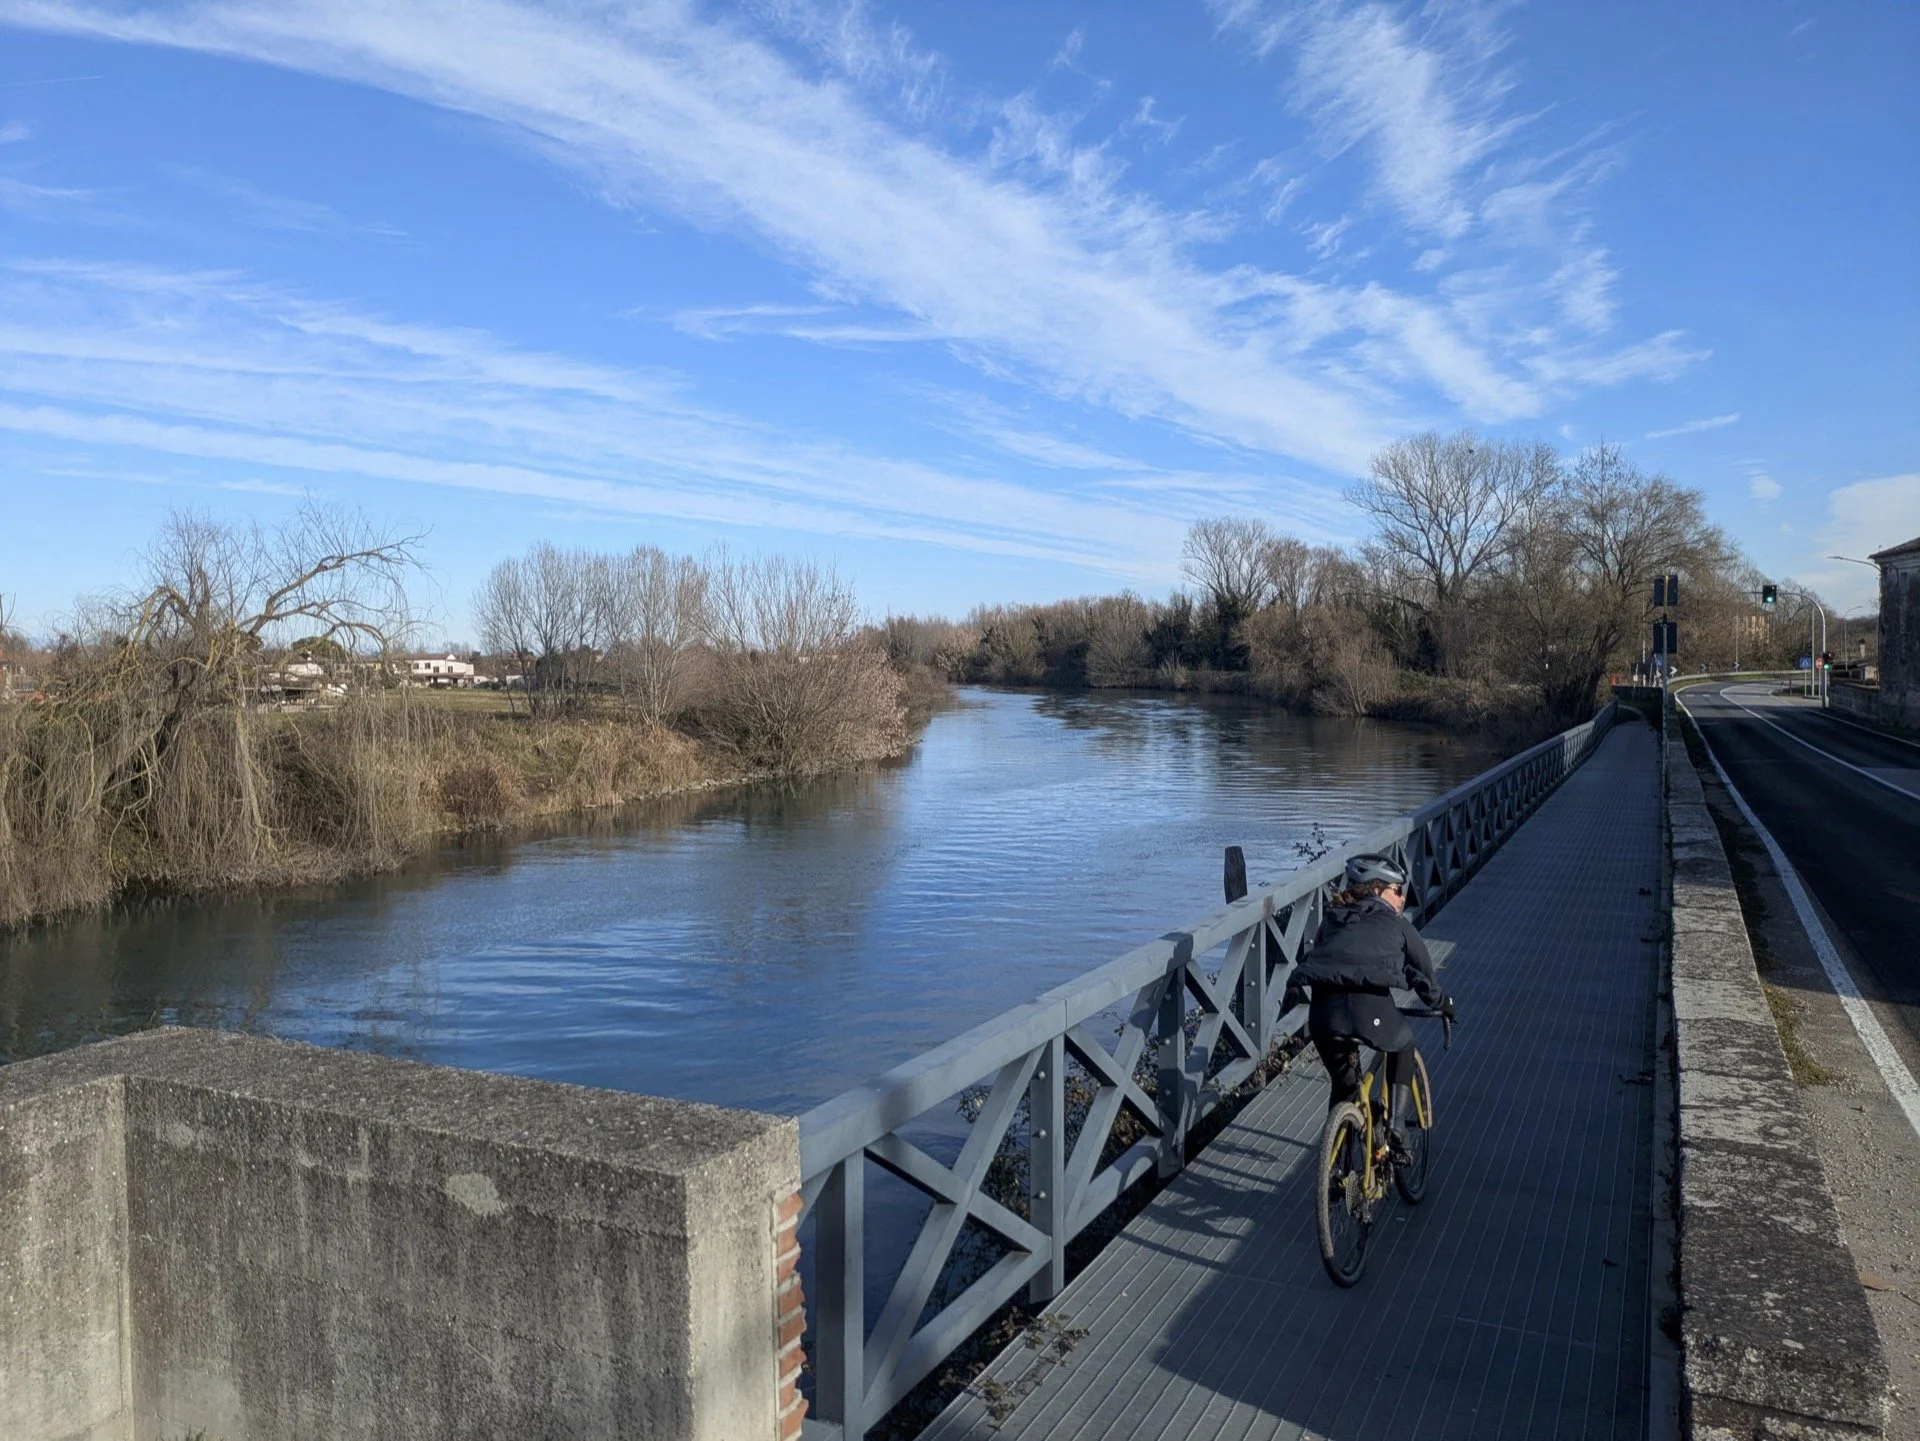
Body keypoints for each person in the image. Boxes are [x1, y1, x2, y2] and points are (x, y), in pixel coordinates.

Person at [1286, 854, 1455, 1161]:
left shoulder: (1332, 919)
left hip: (1323, 1015)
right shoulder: (1396, 924)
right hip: (1369, 1010)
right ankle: (1397, 1127)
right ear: (1377, 891)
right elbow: (1424, 977)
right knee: (1403, 1043)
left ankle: (1337, 1168)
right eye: (1397, 890)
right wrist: (1444, 1005)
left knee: (1345, 1087)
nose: (1403, 898)